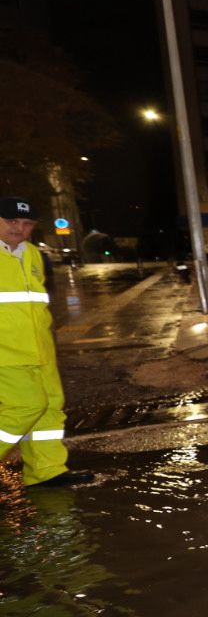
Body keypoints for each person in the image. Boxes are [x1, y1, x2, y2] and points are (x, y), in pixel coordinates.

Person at [0, 196, 93, 489]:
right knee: (26, 407)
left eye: (27, 223)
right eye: (11, 221)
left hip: (40, 348)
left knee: (51, 407)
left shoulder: (33, 254)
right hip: (5, 352)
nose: (19, 228)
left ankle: (46, 470)